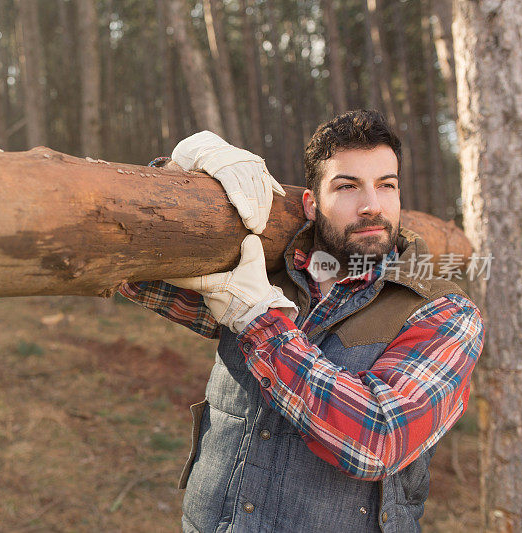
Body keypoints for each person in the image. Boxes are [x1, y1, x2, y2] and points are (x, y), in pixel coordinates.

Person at [118, 110, 484, 533]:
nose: (372, 205)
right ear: (311, 204)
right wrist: (177, 169)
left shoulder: (445, 312)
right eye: (347, 186)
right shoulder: (261, 272)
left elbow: (379, 439)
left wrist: (261, 322)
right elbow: (135, 276)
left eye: (387, 185)